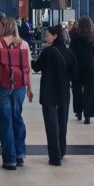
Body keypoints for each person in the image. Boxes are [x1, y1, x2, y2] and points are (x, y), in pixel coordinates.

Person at [0, 18, 32, 170]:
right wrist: (30, 88)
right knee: (17, 117)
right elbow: (28, 68)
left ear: (6, 28)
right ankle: (20, 154)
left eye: (0, 27)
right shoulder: (24, 44)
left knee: (4, 120)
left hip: (1, 85)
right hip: (20, 86)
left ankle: (9, 159)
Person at [31, 25, 76, 166]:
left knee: (51, 125)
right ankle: (62, 151)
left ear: (55, 36)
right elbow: (74, 73)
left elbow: (36, 67)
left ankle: (55, 157)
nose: (45, 38)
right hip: (64, 92)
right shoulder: (69, 52)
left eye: (48, 35)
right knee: (62, 123)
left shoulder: (47, 52)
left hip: (48, 92)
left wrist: (29, 59)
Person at [69, 16, 94, 124]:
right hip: (89, 65)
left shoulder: (75, 35)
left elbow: (71, 51)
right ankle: (88, 115)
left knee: (76, 90)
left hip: (77, 66)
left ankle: (79, 111)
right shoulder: (93, 35)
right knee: (89, 90)